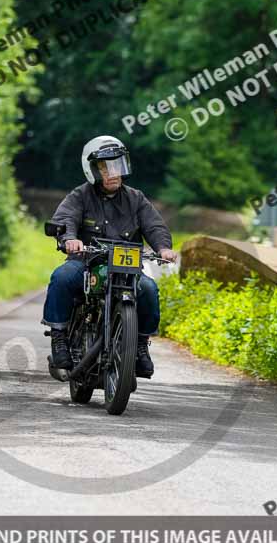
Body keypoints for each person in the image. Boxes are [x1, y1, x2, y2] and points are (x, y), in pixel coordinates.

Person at [42, 135, 177, 378]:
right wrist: (69, 240)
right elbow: (65, 219)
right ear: (92, 170)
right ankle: (59, 337)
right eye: (106, 167)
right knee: (62, 277)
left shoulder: (136, 198)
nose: (113, 173)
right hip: (86, 263)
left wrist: (163, 248)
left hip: (126, 269)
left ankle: (139, 346)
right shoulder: (80, 195)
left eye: (117, 165)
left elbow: (155, 227)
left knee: (148, 289)